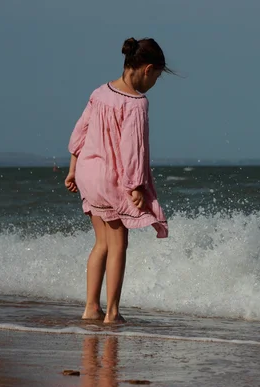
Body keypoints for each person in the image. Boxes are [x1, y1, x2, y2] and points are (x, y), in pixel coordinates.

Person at [65, 37, 171, 323]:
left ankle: (90, 307)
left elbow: (80, 130)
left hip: (88, 172)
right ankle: (112, 312)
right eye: (158, 76)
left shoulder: (100, 92)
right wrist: (135, 185)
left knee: (101, 243)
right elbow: (132, 148)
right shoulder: (137, 103)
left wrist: (73, 167)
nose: (155, 83)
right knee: (119, 244)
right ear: (147, 69)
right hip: (112, 178)